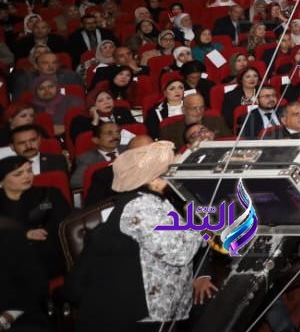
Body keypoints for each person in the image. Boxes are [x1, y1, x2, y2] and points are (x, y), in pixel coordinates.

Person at [80, 141, 213, 330]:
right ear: (154, 177)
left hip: (164, 305)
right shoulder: (140, 207)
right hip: (143, 312)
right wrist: (203, 225)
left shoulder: (154, 200)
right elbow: (179, 253)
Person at [0, 157, 70, 280]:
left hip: (46, 251)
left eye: (29, 171)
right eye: (18, 174)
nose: (27, 176)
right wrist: (24, 235)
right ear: (2, 180)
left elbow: (63, 223)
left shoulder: (49, 194)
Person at [70, 120, 124, 189]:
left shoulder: (129, 149)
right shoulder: (87, 159)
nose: (116, 136)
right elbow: (75, 183)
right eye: (109, 133)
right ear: (96, 140)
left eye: (118, 132)